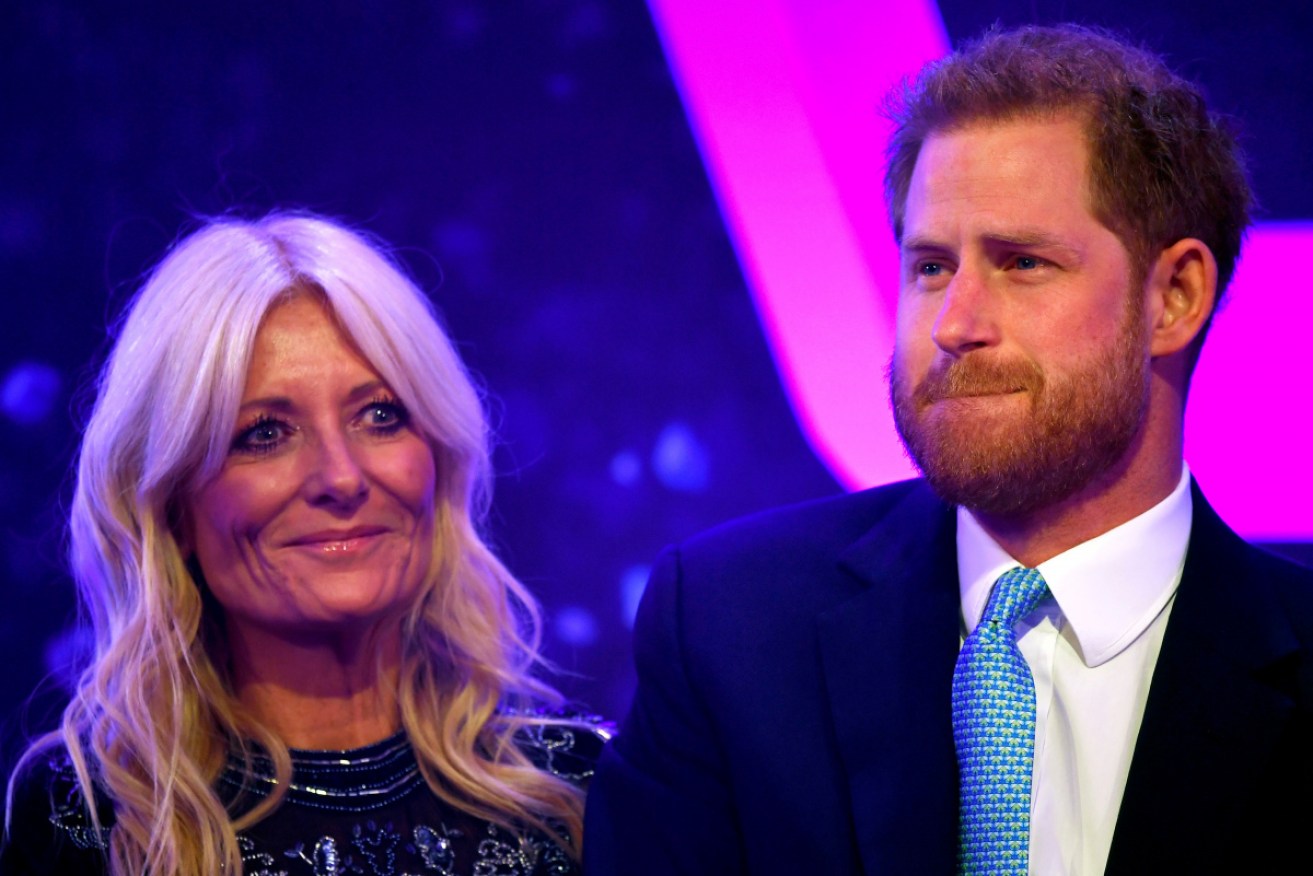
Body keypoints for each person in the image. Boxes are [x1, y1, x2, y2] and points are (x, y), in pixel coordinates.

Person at [584, 23, 1313, 876]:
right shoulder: (728, 628)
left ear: (1174, 297)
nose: (954, 324)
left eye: (1022, 263)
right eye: (930, 266)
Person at [1, 213, 606, 876]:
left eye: (381, 415)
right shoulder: (92, 816)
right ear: (174, 508)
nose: (342, 479)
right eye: (264, 433)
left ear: (437, 458)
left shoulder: (584, 783)